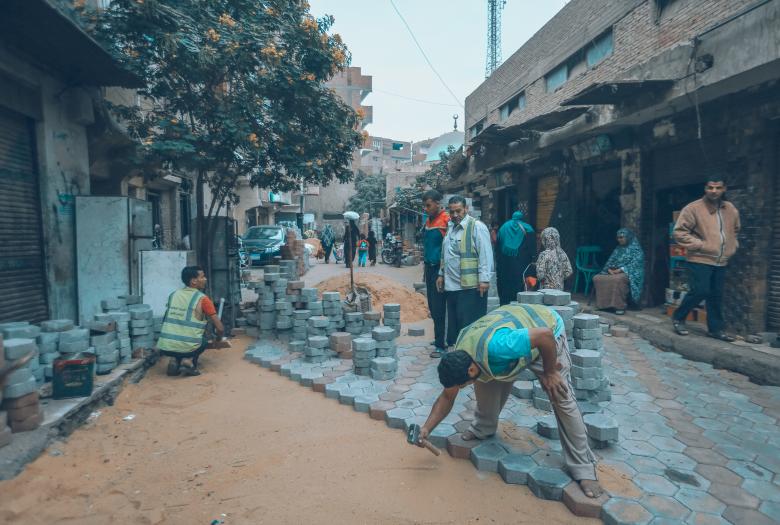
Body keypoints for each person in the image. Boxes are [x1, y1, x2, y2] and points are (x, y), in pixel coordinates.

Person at [415, 303, 603, 499]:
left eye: (462, 385)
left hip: (547, 335)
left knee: (560, 395)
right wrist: (427, 428)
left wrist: (550, 371)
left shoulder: (499, 346)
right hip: (512, 343)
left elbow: (544, 335)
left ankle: (584, 469)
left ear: (470, 370)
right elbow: (447, 396)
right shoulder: (461, 357)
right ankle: (483, 428)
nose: (460, 389)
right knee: (485, 379)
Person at [672, 179, 740, 341]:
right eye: (710, 187)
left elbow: (735, 230)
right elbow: (679, 232)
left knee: (716, 294)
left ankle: (716, 329)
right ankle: (678, 317)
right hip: (699, 258)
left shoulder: (730, 209)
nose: (714, 191)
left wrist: (732, 246)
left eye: (718, 188)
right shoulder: (693, 208)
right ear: (705, 188)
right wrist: (700, 245)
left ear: (724, 188)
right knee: (701, 290)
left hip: (721, 259)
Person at [437, 195, 494, 345]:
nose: (455, 215)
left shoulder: (477, 227)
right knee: (455, 324)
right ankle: (458, 354)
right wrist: (441, 274)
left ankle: (471, 356)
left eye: (459, 211)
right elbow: (446, 254)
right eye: (452, 211)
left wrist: (484, 279)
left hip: (470, 287)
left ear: (466, 209)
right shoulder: (450, 228)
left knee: (469, 324)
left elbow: (485, 254)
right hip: (452, 286)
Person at [157, 266, 224, 377]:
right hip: (187, 347)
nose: (206, 279)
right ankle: (188, 361)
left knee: (181, 341)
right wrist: (218, 340)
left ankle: (174, 360)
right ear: (193, 281)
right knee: (203, 341)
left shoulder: (173, 295)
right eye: (202, 277)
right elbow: (220, 328)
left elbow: (166, 319)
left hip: (165, 347)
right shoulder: (203, 299)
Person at [422, 190, 450, 358]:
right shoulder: (428, 221)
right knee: (432, 306)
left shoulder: (446, 220)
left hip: (441, 270)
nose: (426, 209)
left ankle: (441, 344)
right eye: (424, 205)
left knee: (439, 307)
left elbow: (449, 249)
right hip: (429, 268)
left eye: (428, 205)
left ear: (438, 203)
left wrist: (442, 272)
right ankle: (439, 338)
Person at [592, 228, 645, 315]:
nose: (619, 239)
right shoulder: (618, 249)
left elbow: (636, 265)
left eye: (622, 237)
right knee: (598, 278)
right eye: (618, 238)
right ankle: (603, 305)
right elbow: (610, 261)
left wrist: (620, 270)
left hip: (628, 273)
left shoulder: (636, 250)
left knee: (618, 279)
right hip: (614, 272)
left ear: (628, 237)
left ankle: (619, 306)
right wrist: (609, 269)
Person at [496, 211, 535, 305]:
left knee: (505, 288)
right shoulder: (528, 228)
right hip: (521, 265)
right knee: (520, 286)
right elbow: (532, 249)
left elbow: (497, 247)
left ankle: (504, 306)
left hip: (504, 265)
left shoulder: (503, 227)